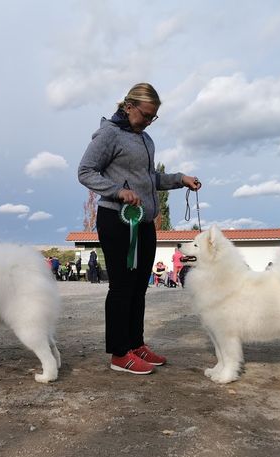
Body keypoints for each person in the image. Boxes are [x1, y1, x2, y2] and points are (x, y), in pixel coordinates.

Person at [78, 82, 201, 375]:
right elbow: (84, 171)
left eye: (153, 117)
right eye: (145, 115)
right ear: (128, 106)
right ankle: (120, 354)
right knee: (121, 287)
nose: (148, 122)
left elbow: (149, 179)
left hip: (143, 222)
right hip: (117, 220)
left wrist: (179, 178)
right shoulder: (109, 133)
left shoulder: (144, 139)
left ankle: (136, 343)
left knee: (139, 288)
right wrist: (117, 191)